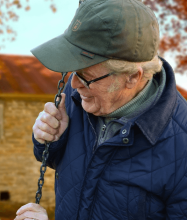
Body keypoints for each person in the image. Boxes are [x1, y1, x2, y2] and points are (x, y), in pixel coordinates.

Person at [16, 0, 187, 219]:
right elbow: (56, 160)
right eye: (73, 72)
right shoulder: (79, 94)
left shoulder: (181, 146)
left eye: (86, 77)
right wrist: (50, 140)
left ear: (133, 77)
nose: (75, 84)